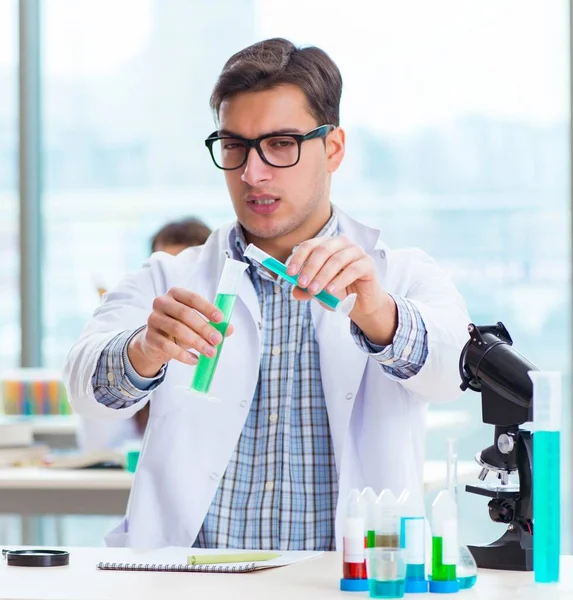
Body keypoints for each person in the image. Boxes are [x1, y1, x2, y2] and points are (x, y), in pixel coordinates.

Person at [64, 38, 470, 550]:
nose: (252, 173)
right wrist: (142, 353)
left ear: (334, 148)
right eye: (234, 145)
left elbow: (454, 370)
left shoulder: (398, 275)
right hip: (193, 581)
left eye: (281, 144)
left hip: (343, 581)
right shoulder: (170, 278)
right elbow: (85, 390)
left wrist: (379, 314)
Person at [77, 217, 211, 452]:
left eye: (184, 275)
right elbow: (100, 443)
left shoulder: (221, 343)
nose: (175, 293)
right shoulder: (136, 344)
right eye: (165, 276)